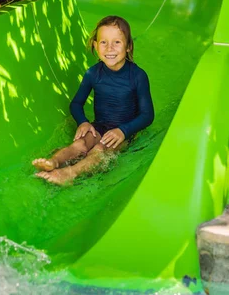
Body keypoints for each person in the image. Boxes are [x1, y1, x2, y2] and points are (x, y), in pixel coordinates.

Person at [32, 15, 154, 185]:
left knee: (99, 150)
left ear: (128, 46)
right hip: (99, 126)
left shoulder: (138, 76)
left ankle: (70, 174)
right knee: (80, 144)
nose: (109, 48)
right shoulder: (93, 73)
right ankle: (54, 162)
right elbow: (76, 104)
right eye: (103, 42)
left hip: (124, 134)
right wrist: (83, 122)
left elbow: (147, 115)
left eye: (117, 42)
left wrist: (123, 131)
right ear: (96, 46)